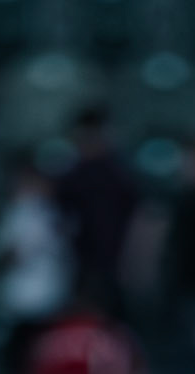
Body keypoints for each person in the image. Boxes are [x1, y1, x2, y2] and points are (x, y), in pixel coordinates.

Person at [54, 106, 138, 318]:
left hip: (119, 265)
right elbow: (61, 219)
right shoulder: (71, 176)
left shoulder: (121, 174)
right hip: (80, 265)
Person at [0, 160, 70, 374]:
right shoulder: (20, 213)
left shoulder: (48, 213)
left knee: (40, 346)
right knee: (23, 347)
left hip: (47, 292)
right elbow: (10, 257)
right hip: (25, 293)